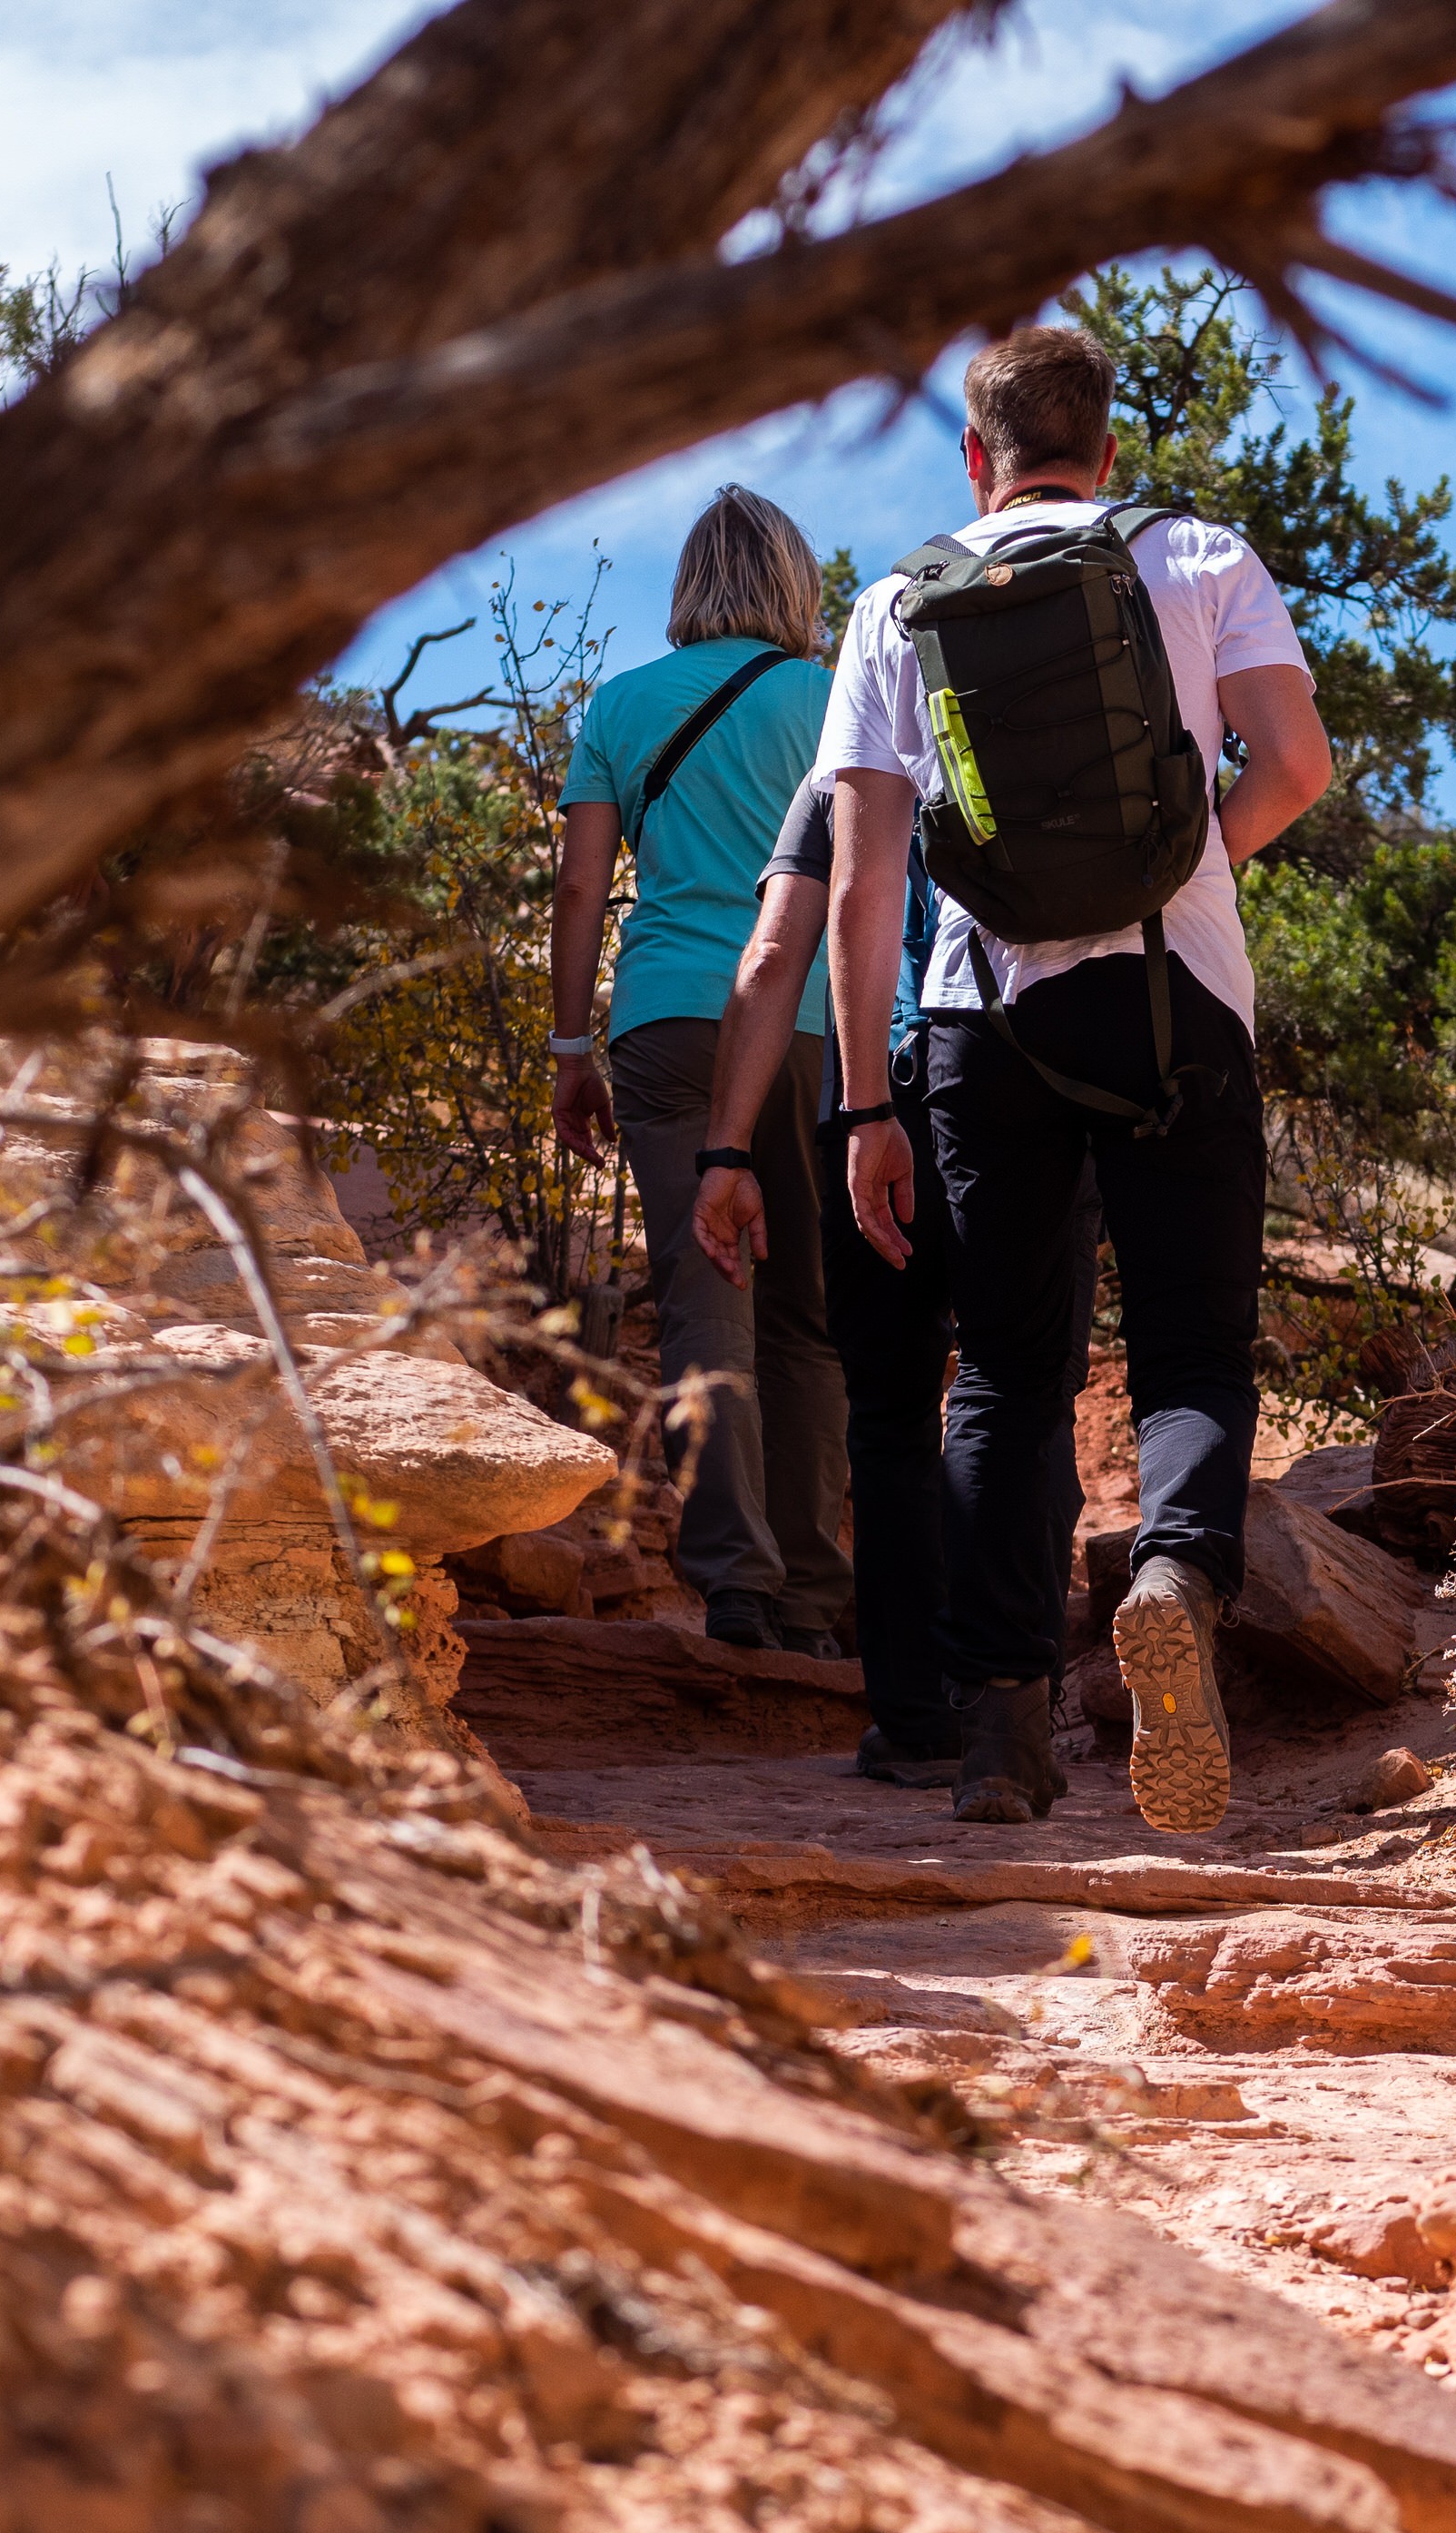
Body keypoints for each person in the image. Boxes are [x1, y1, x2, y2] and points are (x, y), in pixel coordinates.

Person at [695, 323, 1332, 1829]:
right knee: (1187, 1352)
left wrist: (863, 1105)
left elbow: (859, 890)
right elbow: (1296, 768)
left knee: (1004, 1374)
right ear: (1106, 452)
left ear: (976, 462)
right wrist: (1189, 873)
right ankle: (1172, 1570)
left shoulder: (899, 600)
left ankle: (1001, 1732)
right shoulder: (1199, 557)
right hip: (1178, 997)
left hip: (984, 1026)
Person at [702, 781, 1100, 1788]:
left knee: (886, 1418)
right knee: (1027, 1390)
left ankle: (916, 1717)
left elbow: (772, 955)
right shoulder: (1047, 736)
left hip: (874, 1108)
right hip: (1035, 1102)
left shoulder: (840, 776)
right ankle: (1011, 1706)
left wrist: (726, 1148)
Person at [548, 485, 853, 1655]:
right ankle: (821, 1597)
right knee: (807, 1321)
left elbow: (581, 887)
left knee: (702, 1294)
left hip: (667, 1024)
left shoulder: (622, 704)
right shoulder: (831, 702)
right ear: (793, 580)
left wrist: (571, 1045)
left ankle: (735, 1583)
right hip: (811, 1030)